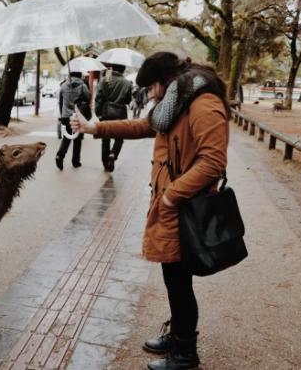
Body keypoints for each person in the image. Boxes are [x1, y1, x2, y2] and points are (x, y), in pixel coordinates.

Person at [71, 51, 230, 370]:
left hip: (186, 207)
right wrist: (94, 129)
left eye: (154, 87)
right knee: (174, 277)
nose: (152, 94)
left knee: (180, 280)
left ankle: (185, 353)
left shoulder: (204, 104)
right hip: (172, 206)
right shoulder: (176, 104)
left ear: (166, 81)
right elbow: (143, 126)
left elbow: (213, 162)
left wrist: (172, 195)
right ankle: (179, 335)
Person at [94, 63, 133, 172]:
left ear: (112, 68)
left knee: (105, 139)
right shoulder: (127, 83)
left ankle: (105, 163)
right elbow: (128, 100)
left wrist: (98, 113)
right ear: (124, 70)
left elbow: (98, 98)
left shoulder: (105, 80)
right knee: (119, 137)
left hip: (106, 113)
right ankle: (113, 154)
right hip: (120, 113)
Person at [55, 71, 91, 170]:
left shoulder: (63, 86)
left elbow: (61, 102)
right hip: (77, 115)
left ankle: (59, 156)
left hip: (66, 116)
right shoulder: (83, 85)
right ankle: (75, 161)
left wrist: (62, 116)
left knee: (66, 138)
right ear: (80, 75)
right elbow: (88, 98)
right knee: (78, 139)